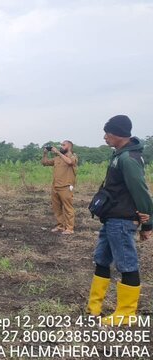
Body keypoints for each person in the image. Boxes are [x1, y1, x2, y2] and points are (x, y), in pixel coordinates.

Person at [86, 115, 152, 326]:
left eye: (107, 133)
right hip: (111, 218)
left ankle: (126, 314)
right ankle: (94, 307)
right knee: (101, 258)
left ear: (116, 134)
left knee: (126, 263)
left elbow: (141, 192)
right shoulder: (119, 155)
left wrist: (148, 223)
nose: (105, 137)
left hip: (122, 220)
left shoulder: (128, 159)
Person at [41, 140, 78, 235]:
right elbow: (44, 163)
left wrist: (57, 152)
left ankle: (70, 228)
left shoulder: (73, 157)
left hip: (66, 186)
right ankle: (60, 226)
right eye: (61, 145)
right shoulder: (57, 158)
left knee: (68, 208)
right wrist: (45, 153)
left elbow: (70, 162)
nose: (61, 146)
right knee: (56, 208)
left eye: (63, 145)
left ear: (69, 147)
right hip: (55, 186)